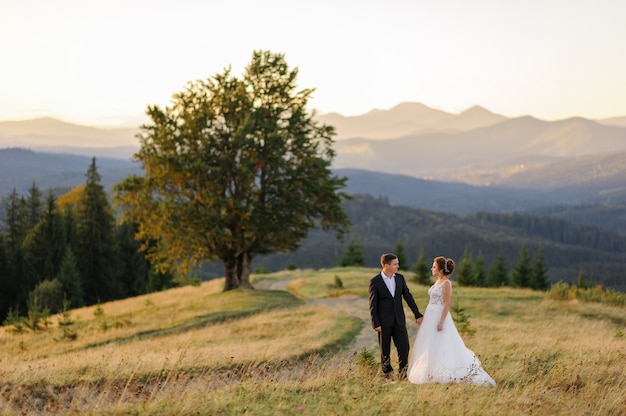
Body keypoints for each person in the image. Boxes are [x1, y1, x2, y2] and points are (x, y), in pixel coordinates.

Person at [407, 256, 496, 386]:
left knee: (442, 342)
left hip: (439, 316)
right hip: (431, 315)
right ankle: (431, 369)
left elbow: (446, 304)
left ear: (441, 269)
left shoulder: (446, 283)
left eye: (434, 267)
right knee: (430, 343)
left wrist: (441, 321)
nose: (432, 269)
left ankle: (446, 370)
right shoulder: (437, 282)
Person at [369, 253, 423, 379]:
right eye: (395, 264)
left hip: (399, 320)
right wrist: (375, 323)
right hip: (383, 322)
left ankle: (403, 373)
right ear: (386, 265)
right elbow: (373, 304)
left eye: (397, 263)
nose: (398, 266)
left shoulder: (400, 278)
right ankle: (387, 374)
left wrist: (417, 314)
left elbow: (408, 297)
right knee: (385, 350)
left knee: (404, 347)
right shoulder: (375, 281)